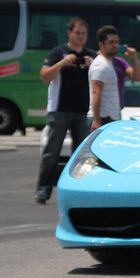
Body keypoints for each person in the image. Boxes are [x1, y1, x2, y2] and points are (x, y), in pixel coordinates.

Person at [35, 18, 96, 204]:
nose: (80, 36)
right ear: (69, 33)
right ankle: (42, 191)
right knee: (51, 153)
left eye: (83, 33)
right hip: (59, 110)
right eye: (77, 32)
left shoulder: (90, 56)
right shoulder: (57, 53)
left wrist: (92, 65)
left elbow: (105, 76)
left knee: (82, 156)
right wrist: (62, 63)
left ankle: (80, 192)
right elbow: (44, 76)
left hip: (82, 112)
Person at [88, 25, 139, 130]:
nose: (115, 45)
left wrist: (133, 57)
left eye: (116, 42)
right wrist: (97, 120)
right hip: (103, 117)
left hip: (112, 115)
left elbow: (136, 77)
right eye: (111, 42)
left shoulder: (116, 62)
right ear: (101, 45)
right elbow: (96, 92)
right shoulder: (100, 65)